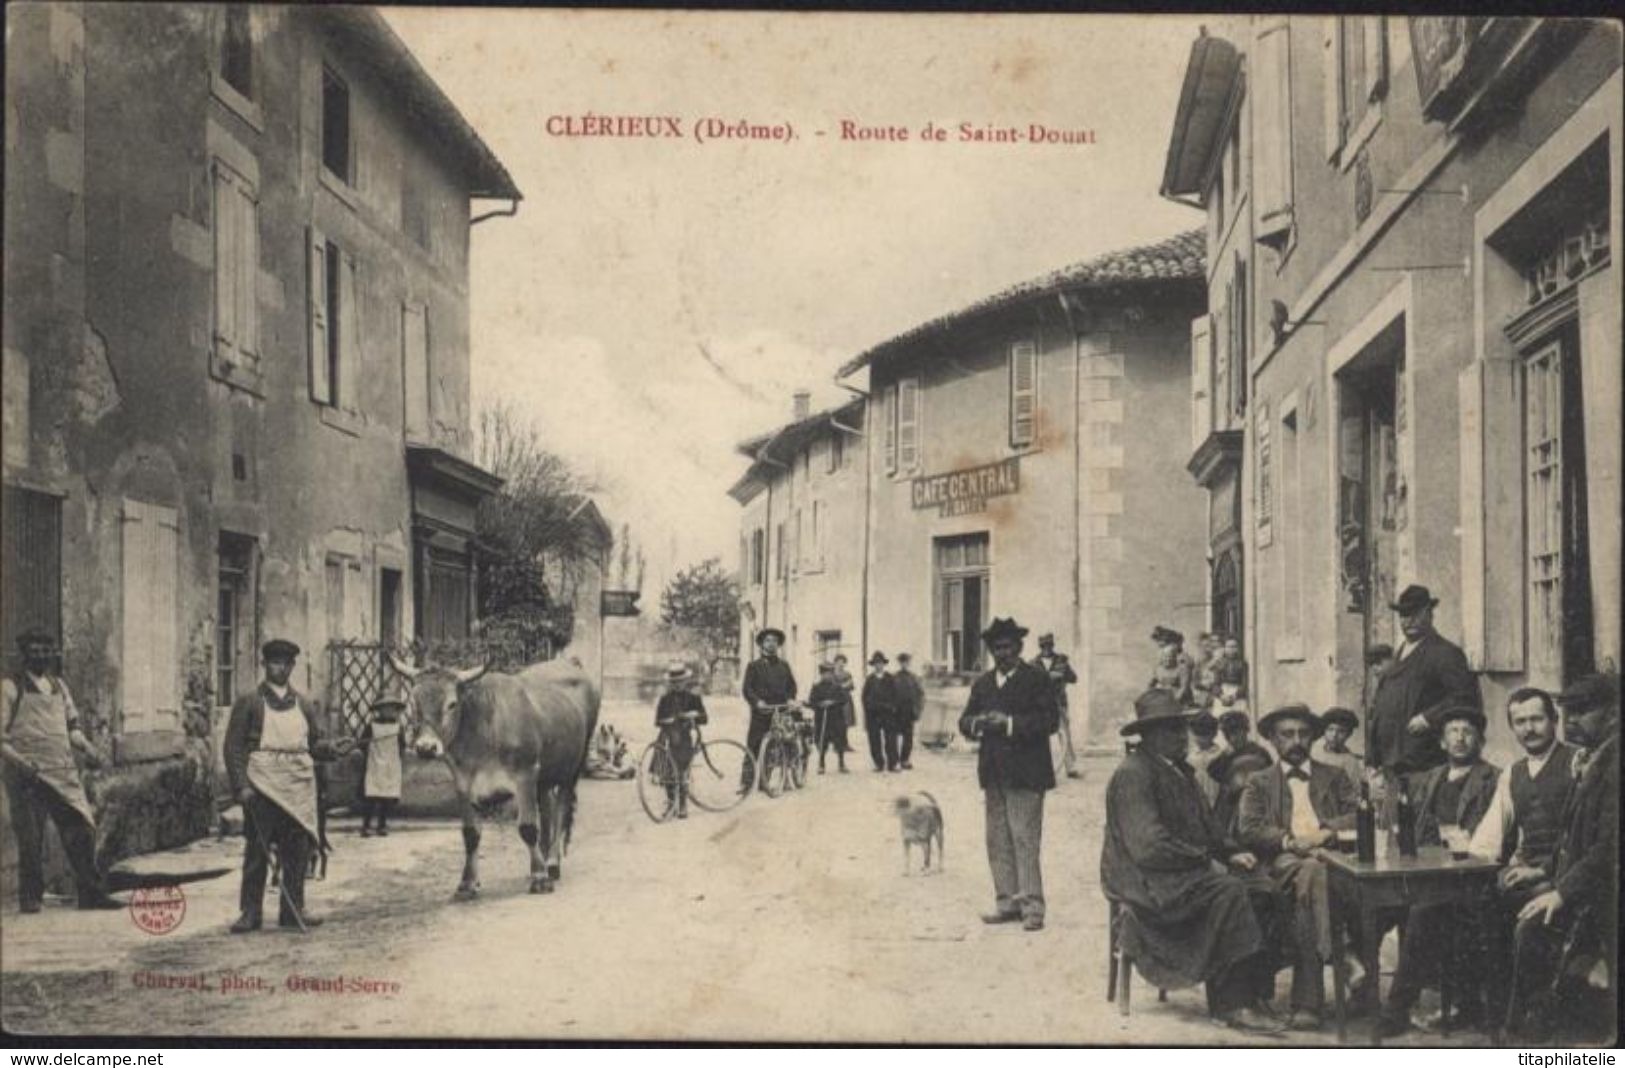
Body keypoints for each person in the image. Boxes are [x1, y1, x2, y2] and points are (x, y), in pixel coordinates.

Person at [1101, 688, 1284, 1034]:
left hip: (1178, 869)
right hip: (1145, 879)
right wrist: (1205, 861)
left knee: (1264, 887)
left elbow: (1209, 829)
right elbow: (1148, 847)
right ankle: (1229, 1004)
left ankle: (1253, 991)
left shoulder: (1180, 772)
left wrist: (1230, 851)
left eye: (1179, 728)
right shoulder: (1134, 774)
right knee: (1229, 890)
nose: (1180, 737)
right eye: (1169, 730)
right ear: (1150, 736)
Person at [1504, 673, 1619, 1044]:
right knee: (1506, 906)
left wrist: (1561, 893)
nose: (1571, 722)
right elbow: (1570, 839)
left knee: (1531, 927)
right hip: (1587, 884)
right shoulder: (1592, 757)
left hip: (1608, 893)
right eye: (1569, 713)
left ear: (1615, 713)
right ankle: (1522, 1030)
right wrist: (1542, 871)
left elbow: (1608, 848)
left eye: (1584, 712)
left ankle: (1532, 1039)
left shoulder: (1616, 764)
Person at [1239, 703, 1362, 1031]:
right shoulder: (1259, 781)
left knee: (1314, 882)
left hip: (1336, 862)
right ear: (1272, 740)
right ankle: (1344, 956)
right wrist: (1291, 842)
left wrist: (1324, 833)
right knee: (1312, 873)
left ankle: (1309, 1005)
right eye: (1287, 734)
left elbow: (1357, 815)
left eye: (1304, 734)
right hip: (1284, 864)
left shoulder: (1335, 776)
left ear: (1313, 738)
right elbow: (1249, 827)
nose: (1296, 741)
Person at [1379, 705, 1500, 1035]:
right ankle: (1363, 989)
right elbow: (1413, 826)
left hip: (1469, 877)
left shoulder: (1494, 779)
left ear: (1479, 741)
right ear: (1443, 743)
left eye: (1468, 732)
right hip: (1427, 873)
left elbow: (1490, 838)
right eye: (1453, 732)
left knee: (1424, 912)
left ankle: (1396, 1009)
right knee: (1376, 904)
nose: (1460, 739)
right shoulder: (1431, 778)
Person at [224, 639, 352, 933]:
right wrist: (241, 786)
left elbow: (314, 744)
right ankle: (250, 912)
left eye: (286, 664)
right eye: (274, 663)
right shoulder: (250, 702)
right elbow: (233, 748)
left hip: (297, 785)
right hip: (263, 784)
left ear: (292, 667)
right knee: (258, 850)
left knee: (297, 849)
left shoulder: (303, 704)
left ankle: (292, 910)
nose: (280, 668)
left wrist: (332, 748)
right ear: (265, 665)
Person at [1467, 688, 1579, 1025]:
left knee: (1526, 927)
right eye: (1520, 722)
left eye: (1536, 719)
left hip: (1566, 876)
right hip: (1526, 874)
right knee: (1479, 907)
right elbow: (1487, 838)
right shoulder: (1512, 774)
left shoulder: (1577, 763)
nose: (1529, 728)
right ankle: (1495, 1014)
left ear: (1555, 721)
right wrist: (1496, 866)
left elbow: (1581, 837)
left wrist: (1540, 872)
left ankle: (1528, 1020)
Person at [1, 629, 122, 912]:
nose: (41, 655)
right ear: (24, 653)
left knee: (81, 828)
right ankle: (31, 898)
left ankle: (91, 893)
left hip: (61, 772)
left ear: (53, 653)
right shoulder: (10, 687)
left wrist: (90, 751)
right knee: (31, 838)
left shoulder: (59, 686)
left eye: (46, 649)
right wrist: (22, 763)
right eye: (35, 649)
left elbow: (73, 729)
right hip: (26, 776)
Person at [958, 618, 1057, 932]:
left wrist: (1010, 723)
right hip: (993, 773)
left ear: (1019, 648)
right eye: (997, 648)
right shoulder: (983, 683)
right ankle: (1007, 903)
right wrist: (978, 723)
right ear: (990, 651)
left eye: (1008, 647)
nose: (1003, 654)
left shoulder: (1036, 679)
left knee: (1025, 839)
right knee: (997, 840)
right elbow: (964, 720)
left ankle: (1032, 908)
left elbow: (1049, 721)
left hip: (1027, 774)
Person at [1367, 585, 1481, 786]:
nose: (1408, 620)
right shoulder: (1399, 653)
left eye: (1415, 613)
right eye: (1403, 615)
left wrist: (1428, 718)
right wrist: (1374, 757)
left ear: (1429, 614)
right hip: (1392, 762)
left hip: (1423, 761)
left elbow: (1464, 697)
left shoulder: (1445, 653)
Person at [741, 628, 796, 792]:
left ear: (778, 645)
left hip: (780, 710)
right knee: (754, 744)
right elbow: (747, 688)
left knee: (782, 742)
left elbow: (792, 686)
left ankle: (771, 780)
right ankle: (746, 782)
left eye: (774, 641)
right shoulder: (753, 666)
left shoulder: (784, 666)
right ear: (761, 645)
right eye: (768, 641)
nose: (771, 644)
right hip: (761, 711)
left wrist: (790, 699)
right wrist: (757, 702)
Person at [654, 661, 708, 818]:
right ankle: (671, 803)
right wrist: (668, 721)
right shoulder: (665, 699)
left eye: (681, 682)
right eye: (674, 682)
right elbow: (658, 721)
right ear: (670, 683)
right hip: (667, 738)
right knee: (667, 773)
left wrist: (694, 715)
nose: (678, 685)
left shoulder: (693, 698)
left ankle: (683, 804)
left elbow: (704, 718)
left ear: (686, 681)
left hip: (684, 738)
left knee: (683, 772)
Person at [358, 696, 407, 837]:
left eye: (392, 709)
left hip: (391, 765)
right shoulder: (371, 726)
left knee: (387, 797)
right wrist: (371, 753)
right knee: (371, 797)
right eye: (385, 709)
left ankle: (382, 825)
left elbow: (402, 746)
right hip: (374, 764)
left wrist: (397, 760)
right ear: (379, 711)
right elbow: (362, 743)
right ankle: (366, 825)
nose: (389, 712)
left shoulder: (399, 727)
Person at [1035, 633, 1080, 779]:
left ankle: (1071, 767)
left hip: (1059, 703)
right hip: (1041, 705)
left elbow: (1074, 678)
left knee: (1065, 734)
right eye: (1044, 646)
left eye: (1049, 645)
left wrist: (1063, 674)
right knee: (1040, 735)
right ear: (1040, 647)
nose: (1047, 648)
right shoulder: (1033, 664)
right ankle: (1041, 768)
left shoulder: (1061, 661)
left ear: (1052, 645)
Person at [1207, 710, 1272, 787]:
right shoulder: (1227, 755)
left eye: (1236, 733)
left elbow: (1271, 779)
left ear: (1245, 731)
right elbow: (1213, 773)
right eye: (1227, 734)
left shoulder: (1259, 752)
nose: (1232, 738)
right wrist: (1225, 755)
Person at [807, 662, 851, 774]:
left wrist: (832, 702)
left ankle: (841, 763)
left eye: (830, 673)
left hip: (836, 719)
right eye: (825, 673)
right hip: (822, 720)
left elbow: (844, 699)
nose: (827, 676)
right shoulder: (816, 687)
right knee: (822, 741)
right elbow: (811, 702)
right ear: (821, 674)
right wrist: (820, 704)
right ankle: (821, 764)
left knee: (840, 741)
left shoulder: (837, 687)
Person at [861, 651, 899, 772]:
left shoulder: (890, 678)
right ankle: (879, 763)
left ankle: (893, 764)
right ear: (873, 665)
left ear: (884, 664)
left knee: (891, 739)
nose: (879, 666)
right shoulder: (870, 680)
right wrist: (868, 708)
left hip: (888, 714)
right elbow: (864, 697)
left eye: (880, 663)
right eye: (876, 663)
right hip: (873, 714)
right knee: (874, 739)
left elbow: (896, 695)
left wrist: (893, 708)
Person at [1312, 707, 1364, 788]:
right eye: (1330, 729)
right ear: (1324, 731)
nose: (1334, 735)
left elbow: (1353, 790)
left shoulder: (1350, 761)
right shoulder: (1314, 752)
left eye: (1341, 731)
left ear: (1348, 734)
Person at [1185, 711, 1224, 810]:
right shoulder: (1188, 757)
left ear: (1214, 734)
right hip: (1195, 807)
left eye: (1205, 734)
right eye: (1198, 734)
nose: (1202, 739)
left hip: (1219, 806)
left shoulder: (1221, 755)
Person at [893, 653, 925, 771]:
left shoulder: (914, 678)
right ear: (899, 663)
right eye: (902, 662)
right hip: (897, 712)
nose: (904, 664)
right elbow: (889, 694)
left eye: (906, 662)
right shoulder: (894, 677)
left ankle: (905, 759)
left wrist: (918, 710)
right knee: (894, 737)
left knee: (908, 737)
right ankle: (895, 759)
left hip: (909, 712)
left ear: (909, 663)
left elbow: (921, 694)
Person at [1149, 626, 1194, 707]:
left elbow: (1184, 686)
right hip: (1166, 700)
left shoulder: (1183, 660)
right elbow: (1153, 680)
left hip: (1180, 702)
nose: (1160, 649)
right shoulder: (1160, 663)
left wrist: (1173, 701)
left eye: (1163, 645)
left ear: (1174, 645)